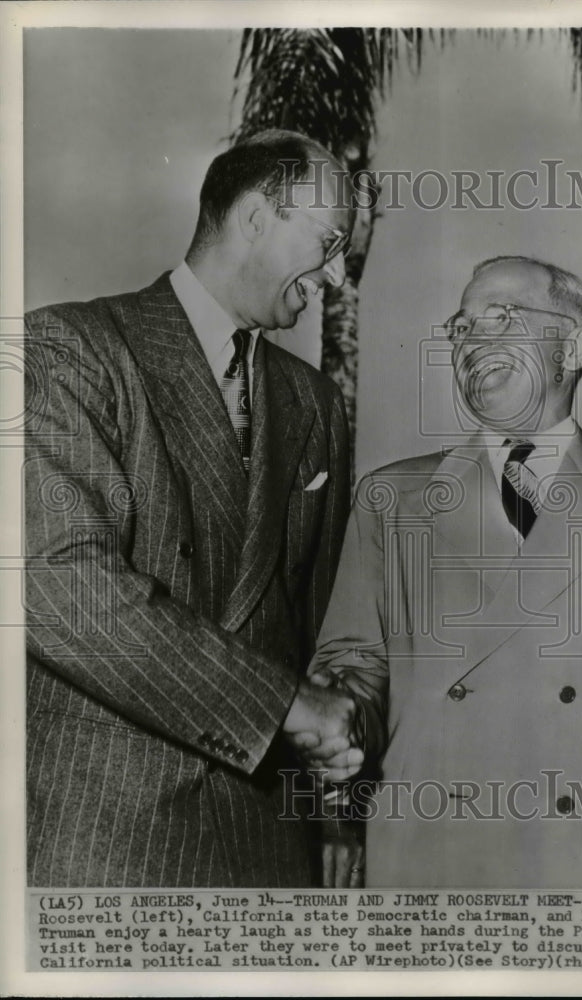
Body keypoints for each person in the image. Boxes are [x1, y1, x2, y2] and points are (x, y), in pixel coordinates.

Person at [24, 129, 365, 888]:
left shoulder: (313, 404)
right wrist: (285, 709)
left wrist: (335, 794)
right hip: (107, 852)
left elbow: (316, 622)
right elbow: (58, 588)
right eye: (329, 239)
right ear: (254, 218)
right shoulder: (64, 352)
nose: (337, 275)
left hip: (270, 850)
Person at [311, 255, 582, 888]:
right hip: (431, 864)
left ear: (574, 347)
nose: (473, 340)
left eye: (502, 317)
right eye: (463, 326)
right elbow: (355, 677)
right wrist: (337, 735)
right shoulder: (389, 499)